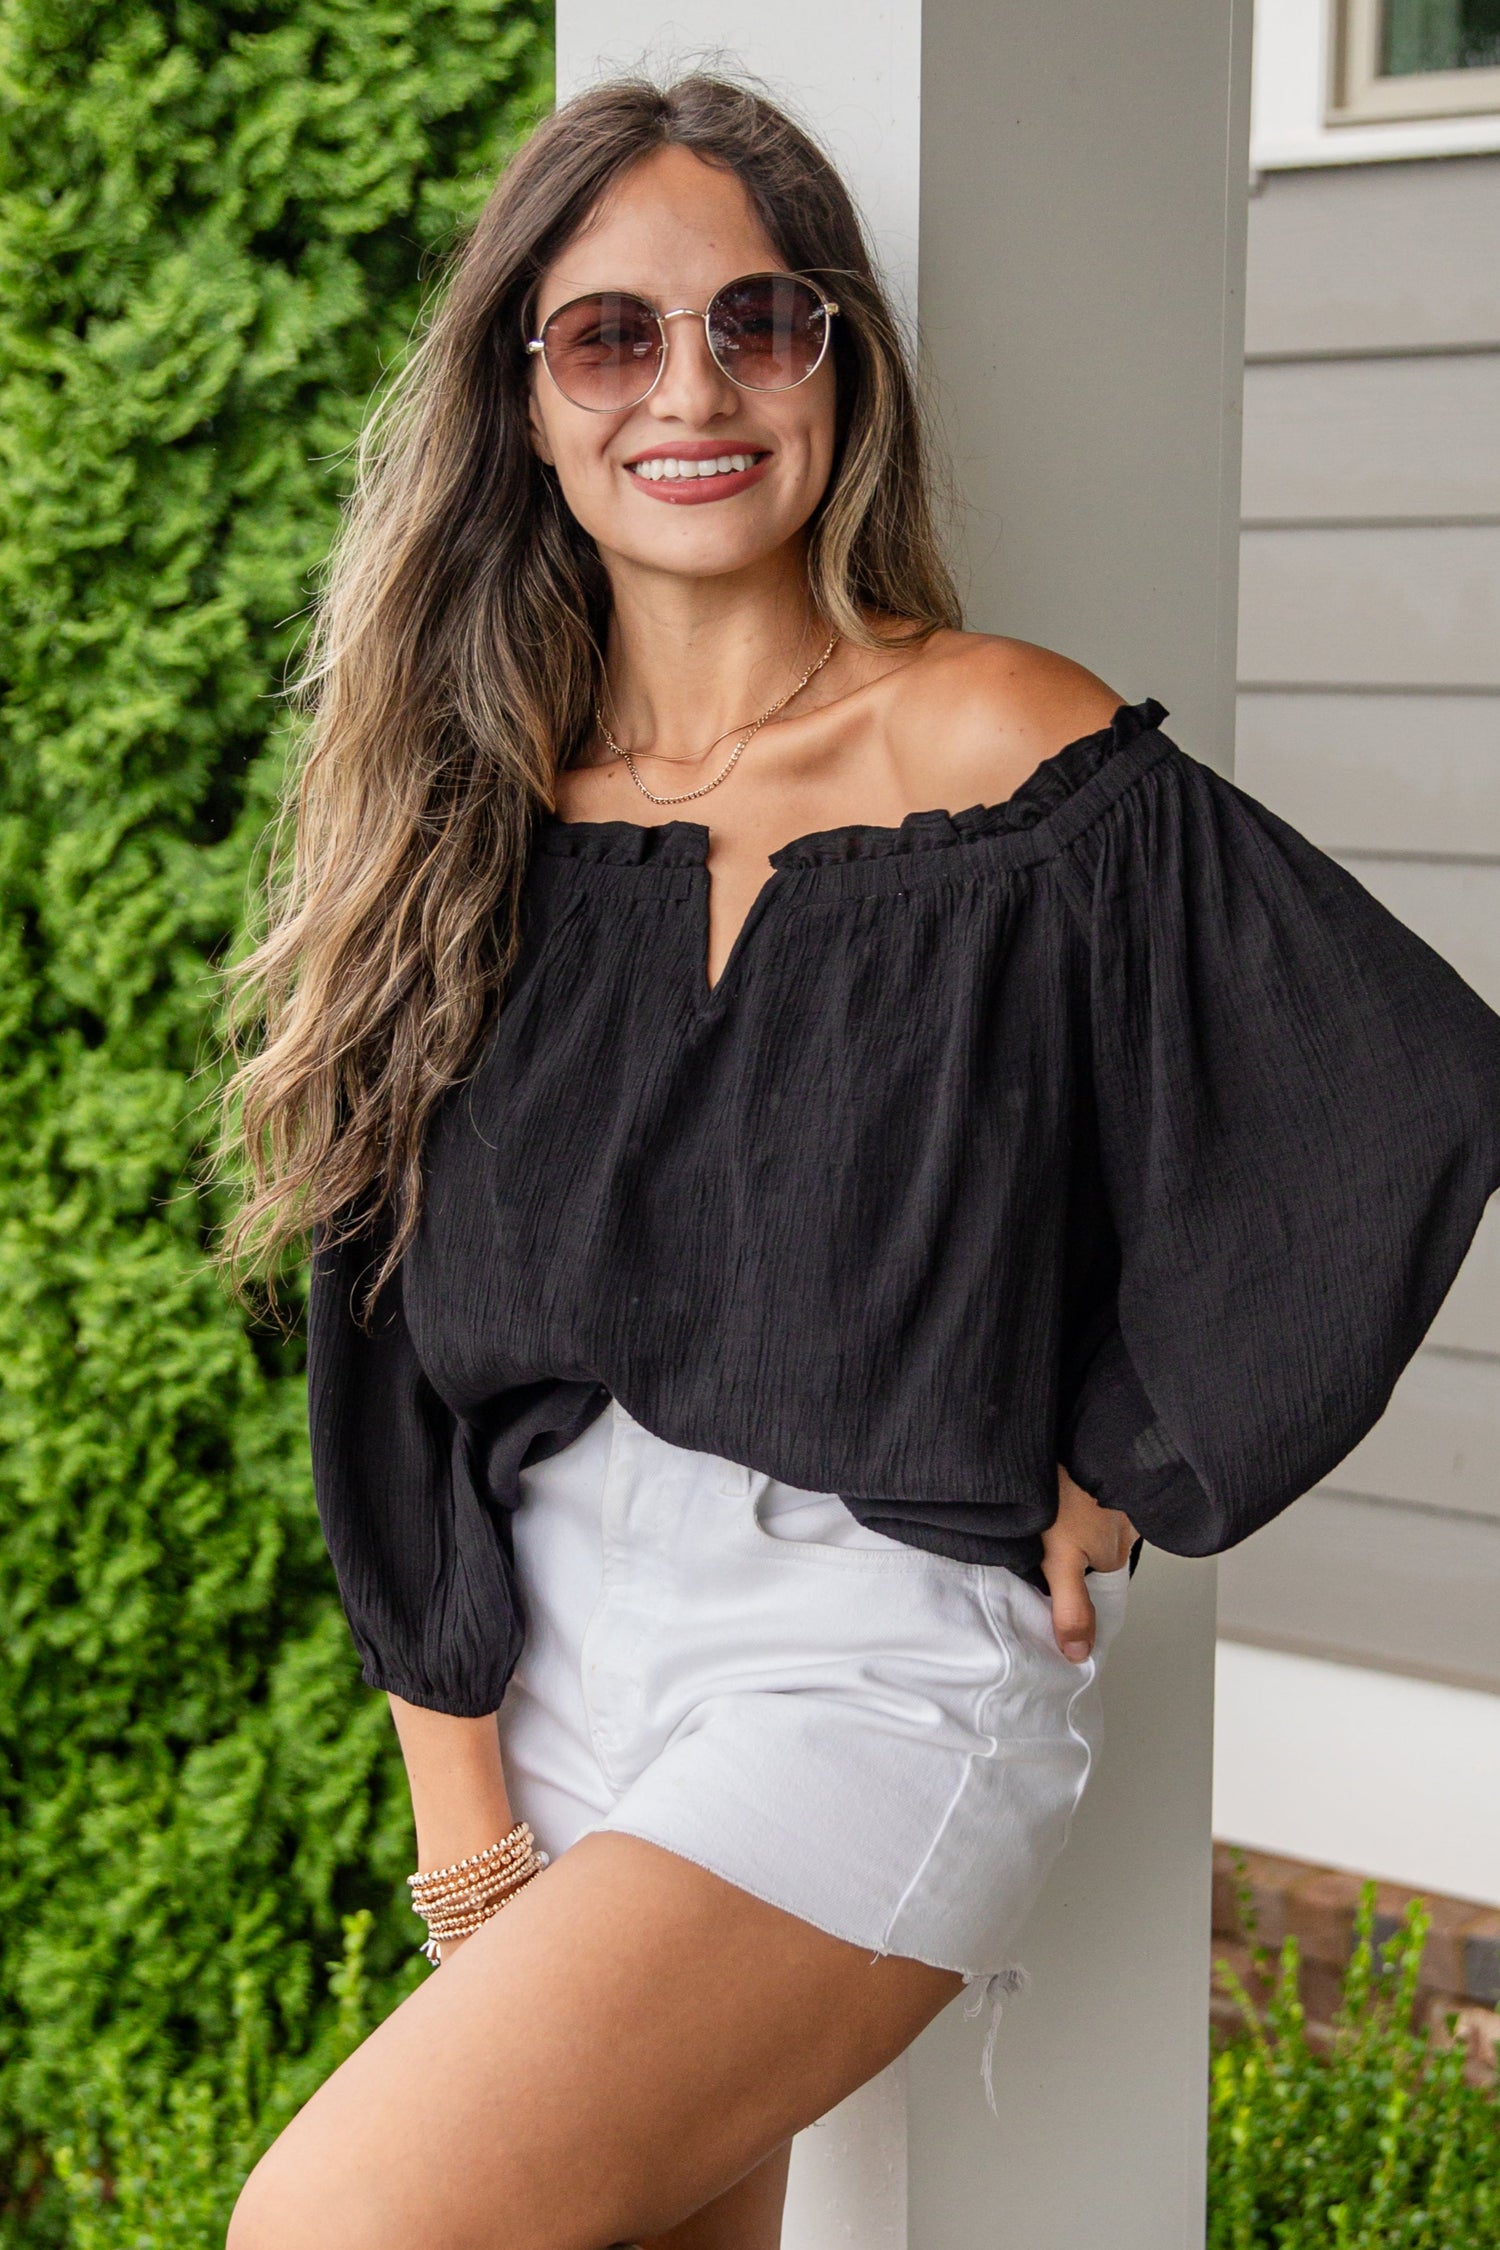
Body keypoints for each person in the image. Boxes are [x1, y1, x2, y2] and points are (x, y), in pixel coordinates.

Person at [222, 73, 1500, 2250]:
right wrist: (467, 1810)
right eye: (610, 335)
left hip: (869, 1667)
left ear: (838, 367)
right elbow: (387, 1354)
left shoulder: (1001, 751)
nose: (690, 388)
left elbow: (1394, 1091)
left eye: (760, 319)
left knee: (334, 2228)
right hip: (552, 1672)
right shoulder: (465, 820)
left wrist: (1116, 1463)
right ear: (523, 404)